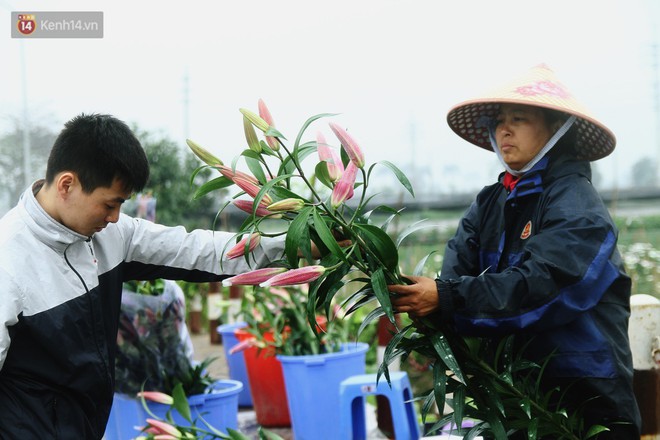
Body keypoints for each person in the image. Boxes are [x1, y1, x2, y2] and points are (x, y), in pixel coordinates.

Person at [388, 64, 641, 438]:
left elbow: (543, 287)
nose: (503, 130)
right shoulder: (490, 203)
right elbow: (457, 277)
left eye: (518, 119)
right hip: (510, 397)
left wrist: (444, 297)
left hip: (583, 400)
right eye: (500, 120)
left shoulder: (576, 204)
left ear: (556, 128)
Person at [0, 114, 286, 438]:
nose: (115, 216)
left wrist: (293, 246)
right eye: (110, 203)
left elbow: (195, 249)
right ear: (67, 184)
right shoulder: (8, 261)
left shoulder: (112, 236)